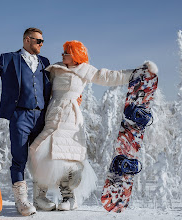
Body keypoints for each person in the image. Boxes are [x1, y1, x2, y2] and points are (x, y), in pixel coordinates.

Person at [0, 28, 81, 216]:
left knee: (43, 156)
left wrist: (74, 95)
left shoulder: (44, 62)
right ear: (27, 40)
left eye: (42, 41)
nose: (42, 44)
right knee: (19, 158)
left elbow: (62, 79)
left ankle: (40, 197)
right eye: (39, 41)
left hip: (42, 117)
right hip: (20, 116)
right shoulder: (8, 59)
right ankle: (21, 201)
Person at [29, 40, 149, 211]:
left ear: (76, 55)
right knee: (38, 151)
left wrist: (136, 73)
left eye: (66, 53)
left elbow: (108, 76)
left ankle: (69, 198)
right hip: (52, 115)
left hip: (71, 118)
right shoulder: (54, 69)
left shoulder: (85, 69)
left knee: (69, 157)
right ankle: (39, 197)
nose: (62, 55)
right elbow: (40, 89)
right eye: (63, 52)